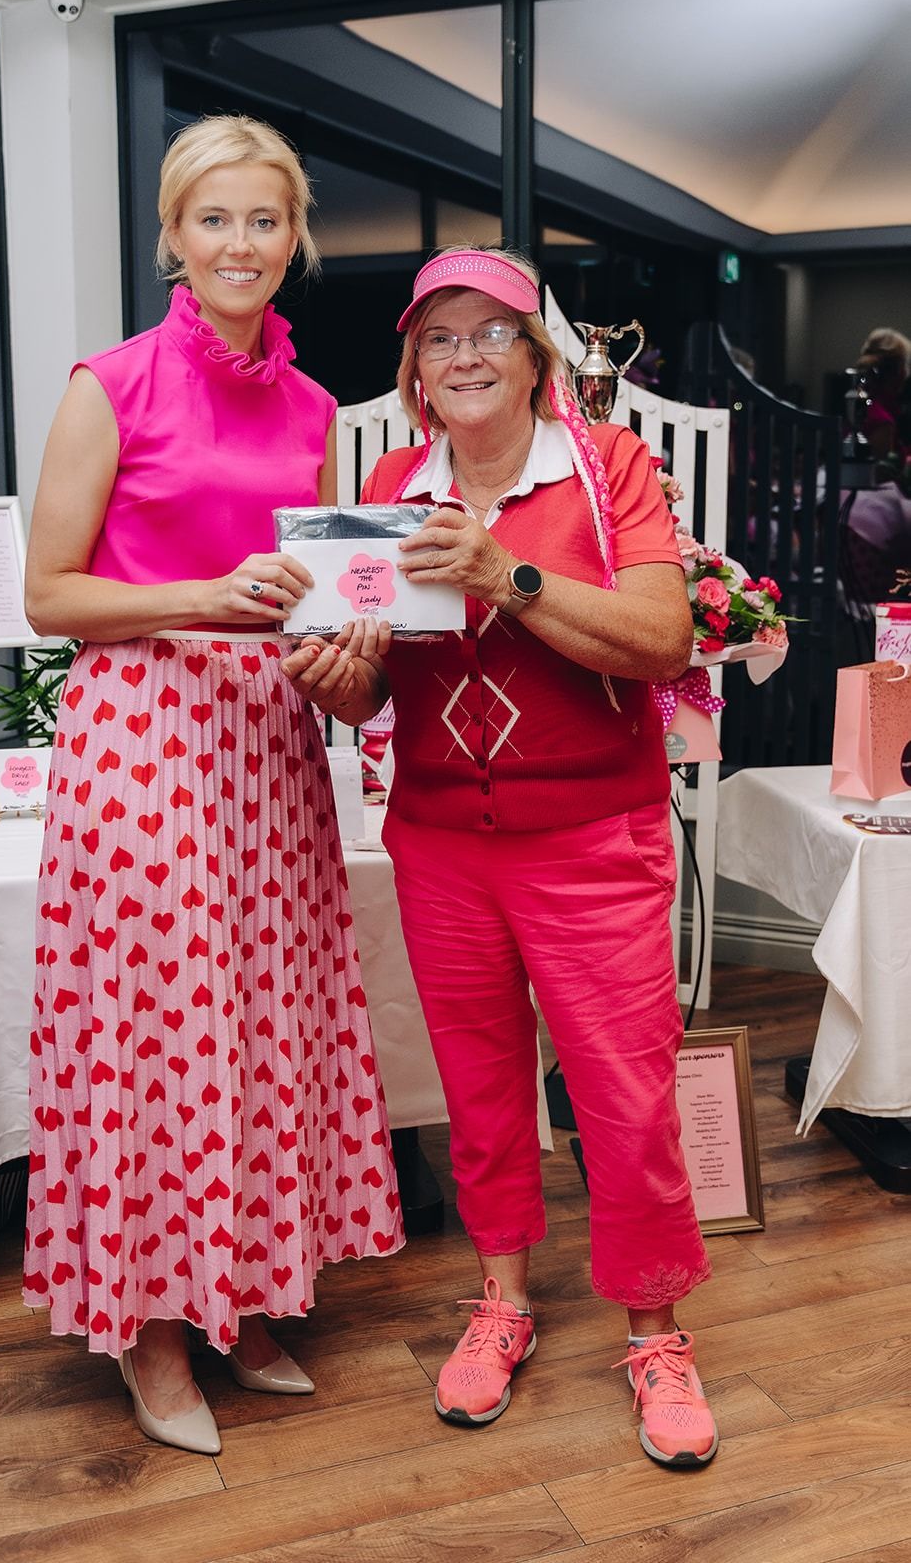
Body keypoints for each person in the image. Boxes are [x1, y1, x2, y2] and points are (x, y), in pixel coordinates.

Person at [282, 245, 717, 1469]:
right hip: (438, 841)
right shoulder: (387, 484)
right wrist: (333, 674)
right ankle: (503, 1300)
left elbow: (660, 638)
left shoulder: (608, 467)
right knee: (477, 1090)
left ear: (534, 361)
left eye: (489, 332)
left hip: (592, 839)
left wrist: (505, 573)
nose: (463, 354)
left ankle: (654, 1332)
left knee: (626, 1099)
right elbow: (373, 687)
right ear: (413, 371)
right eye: (438, 336)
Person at [22, 114, 404, 1455]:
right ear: (172, 237)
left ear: (294, 239)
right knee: (154, 1033)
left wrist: (350, 653)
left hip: (269, 740)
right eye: (213, 219)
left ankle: (237, 1294)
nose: (240, 243)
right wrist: (206, 597)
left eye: (264, 219)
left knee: (256, 1027)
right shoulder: (109, 383)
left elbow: (331, 594)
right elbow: (48, 595)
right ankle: (149, 1330)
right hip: (143, 736)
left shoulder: (314, 412)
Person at [856, 327, 911, 460]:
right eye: (906, 364)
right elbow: (883, 471)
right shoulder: (882, 421)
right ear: (900, 371)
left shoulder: (860, 405)